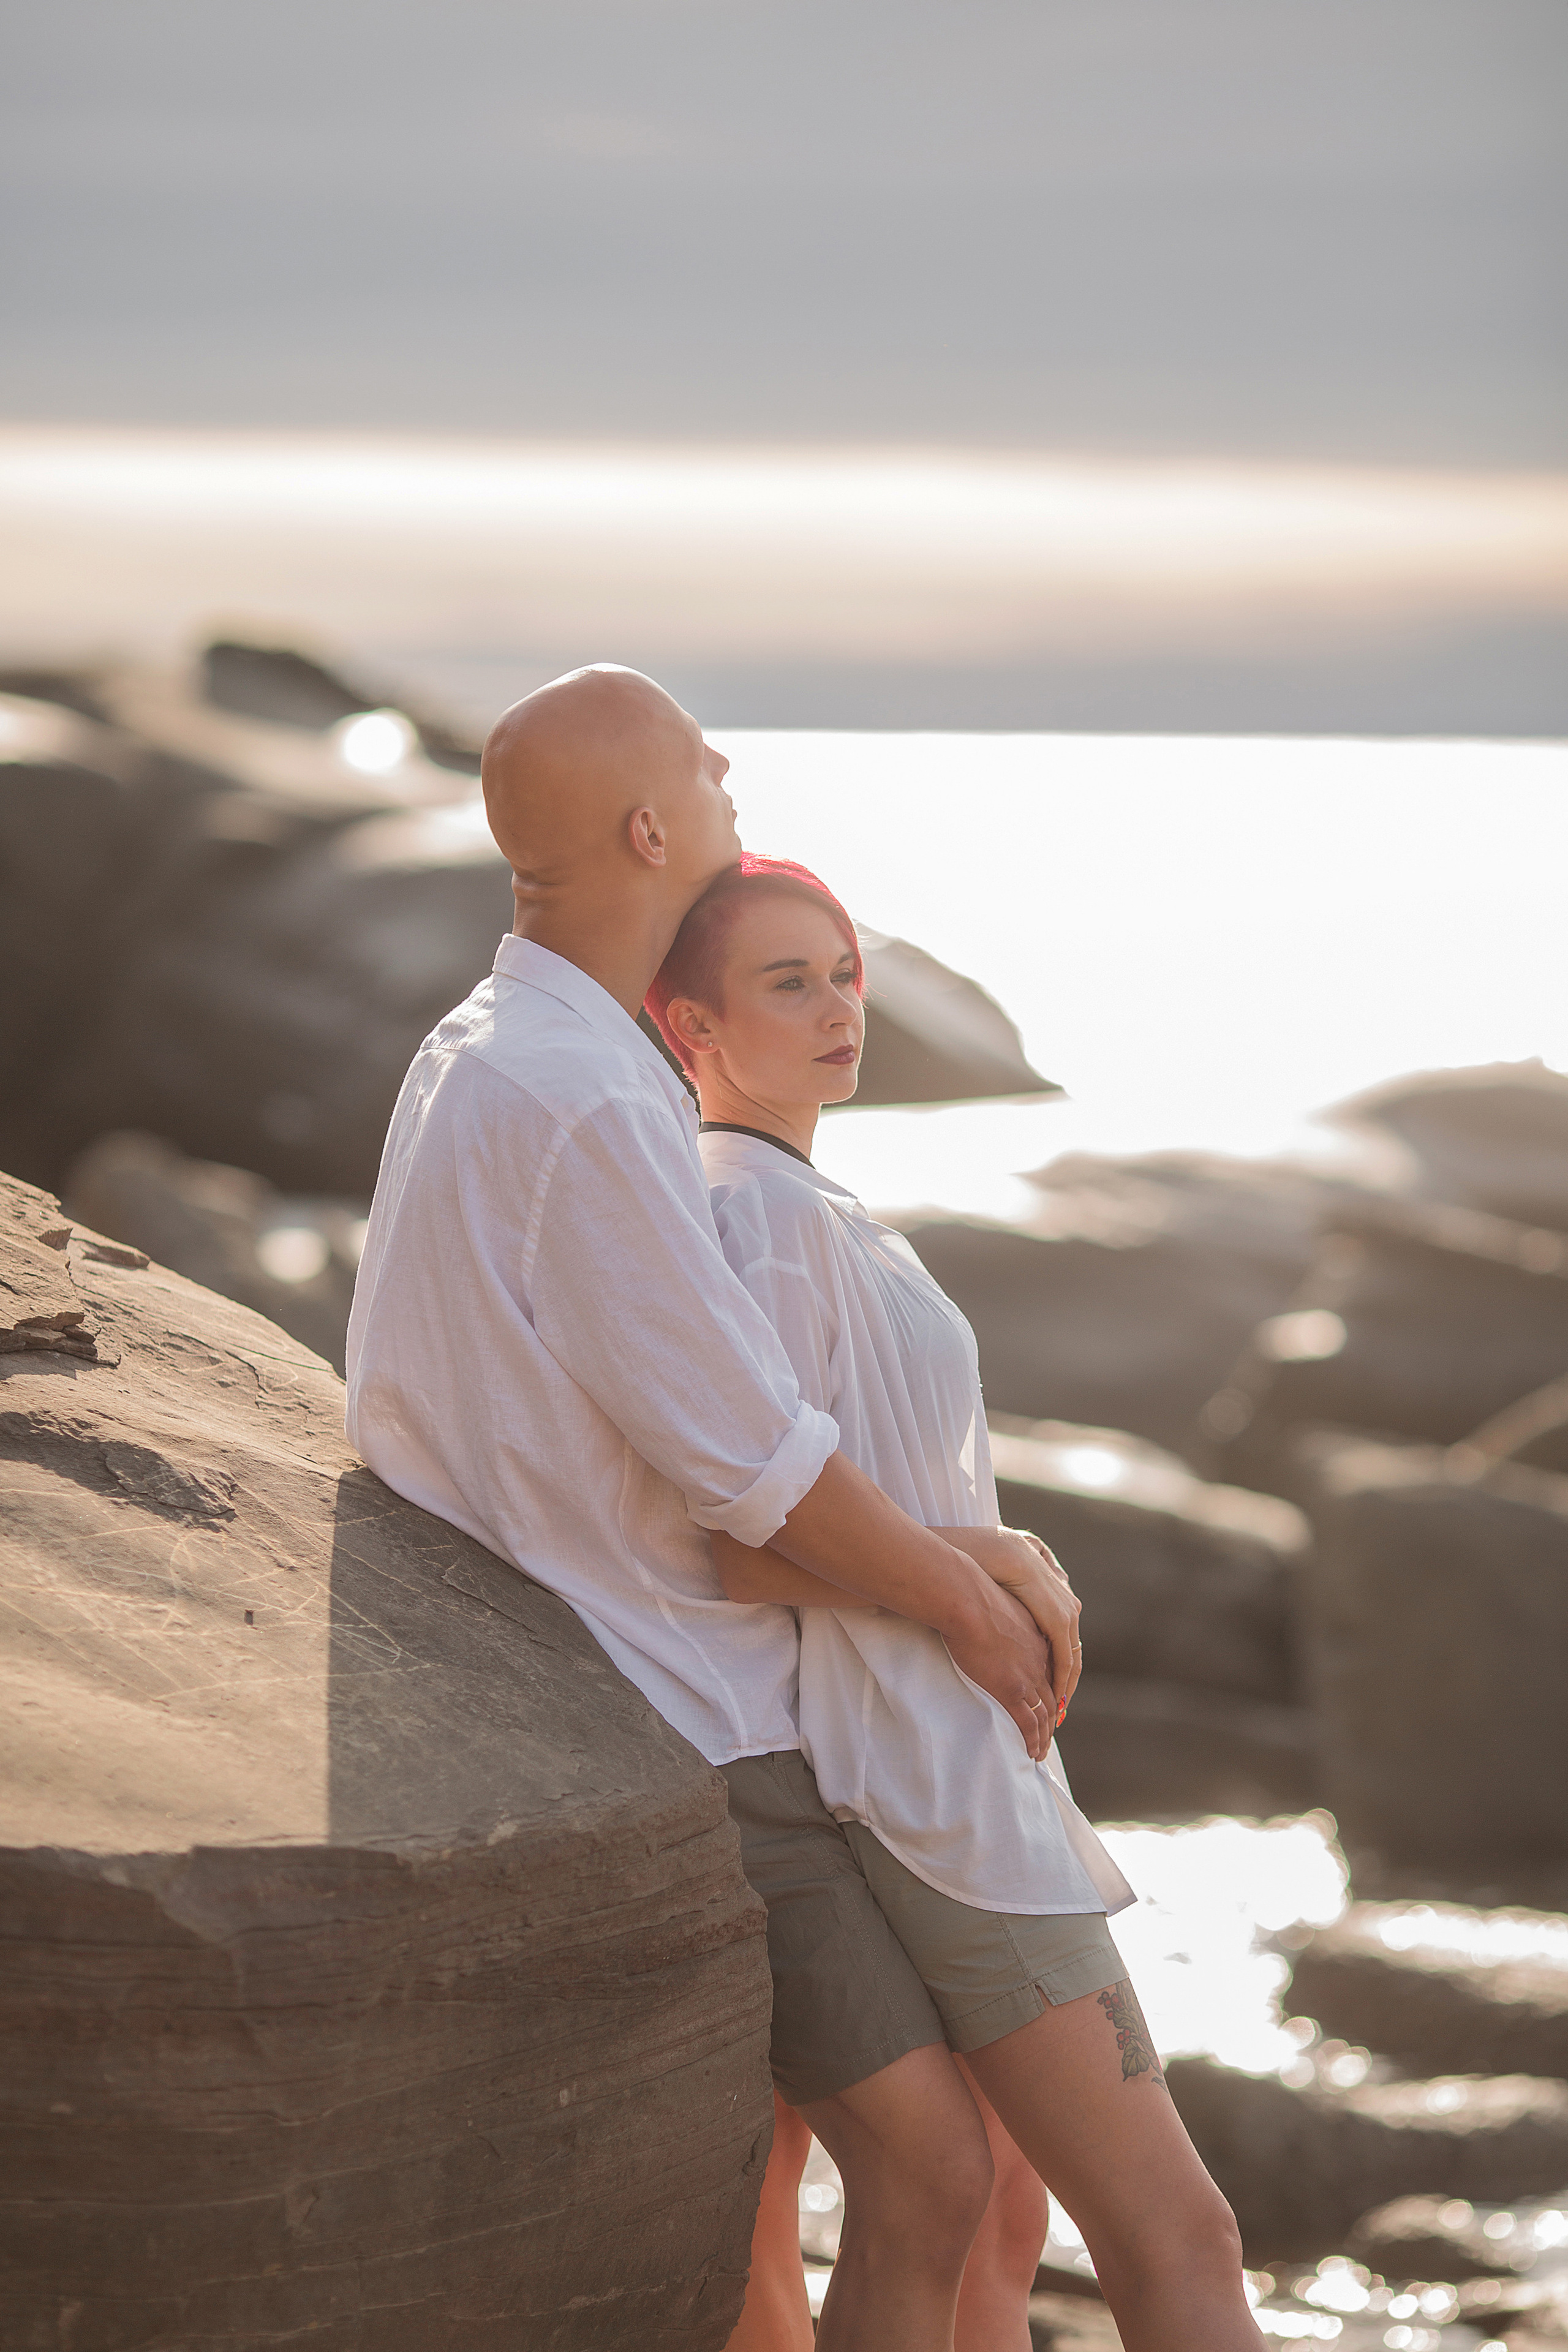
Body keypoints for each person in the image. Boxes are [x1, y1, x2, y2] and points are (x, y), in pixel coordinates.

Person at [345, 666, 1083, 2352]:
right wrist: (967, 1605)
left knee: (821, 2211)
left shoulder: (488, 1048)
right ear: (652, 830)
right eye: (702, 757)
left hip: (599, 1680)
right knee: (938, 2170)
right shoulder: (590, 1098)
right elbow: (758, 1468)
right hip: (693, 1724)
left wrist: (944, 1555)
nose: (732, 766)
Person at [647, 853, 1267, 2352]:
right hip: (929, 1797)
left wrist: (985, 1555)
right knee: (1176, 2231)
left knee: (998, 2205)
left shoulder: (804, 1203)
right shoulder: (757, 1218)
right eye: (786, 982)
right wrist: (982, 1563)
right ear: (689, 1029)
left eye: (845, 972)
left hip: (946, 1773)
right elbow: (743, 1540)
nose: (838, 1006)